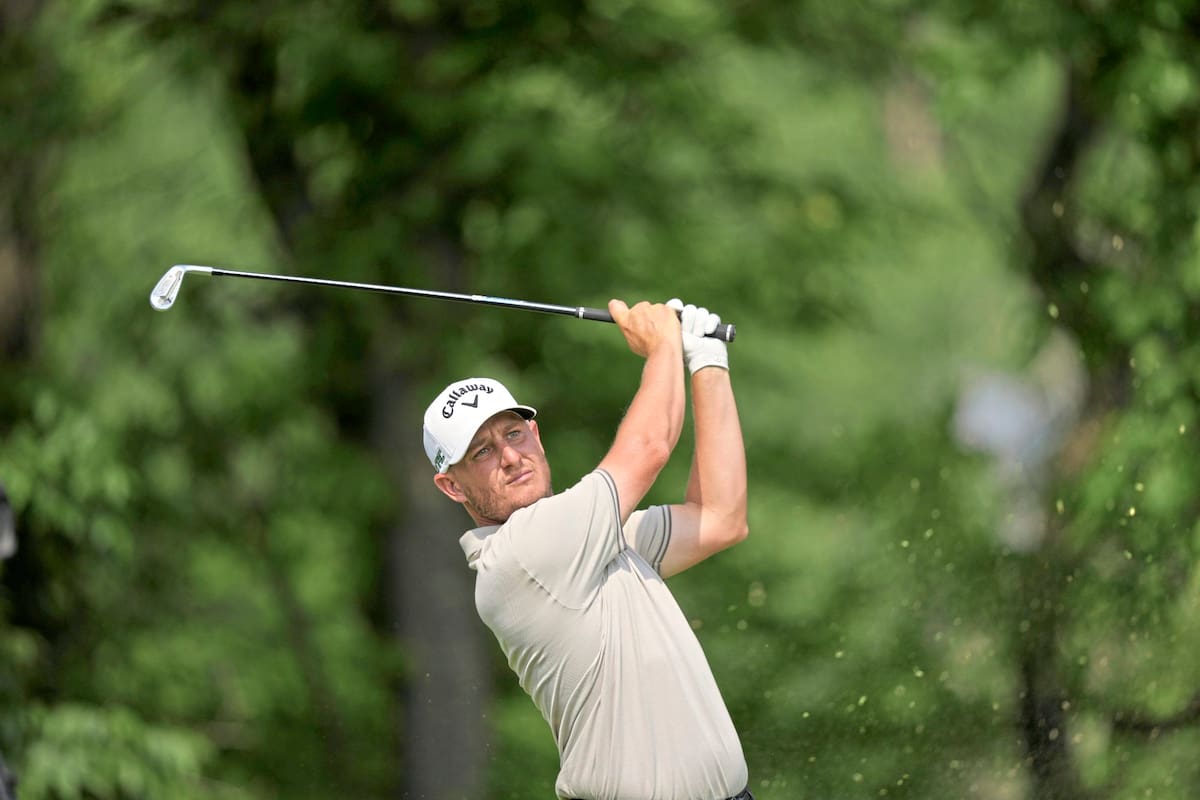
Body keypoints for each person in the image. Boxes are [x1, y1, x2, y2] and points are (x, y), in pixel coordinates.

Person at [422, 298, 753, 800]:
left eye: (514, 433)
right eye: (482, 452)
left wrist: (707, 362)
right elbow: (648, 448)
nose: (510, 457)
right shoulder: (521, 554)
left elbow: (721, 519)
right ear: (452, 486)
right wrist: (663, 343)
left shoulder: (590, 540)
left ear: (535, 435)